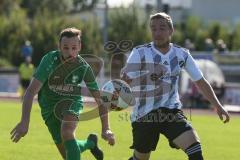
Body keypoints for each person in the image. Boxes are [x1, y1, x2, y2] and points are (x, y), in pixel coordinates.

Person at [121, 12, 230, 160]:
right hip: (144, 115)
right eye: (153, 29)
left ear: (171, 30)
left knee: (195, 151)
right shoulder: (140, 52)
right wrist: (125, 81)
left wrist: (217, 105)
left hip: (171, 112)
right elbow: (127, 79)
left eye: (162, 28)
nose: (157, 32)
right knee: (140, 158)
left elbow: (200, 81)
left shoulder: (182, 54)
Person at [10, 27, 115, 160]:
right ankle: (90, 143)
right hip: (49, 108)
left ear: (79, 47)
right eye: (65, 48)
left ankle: (89, 143)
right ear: (59, 46)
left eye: (73, 48)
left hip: (71, 102)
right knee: (68, 152)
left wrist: (106, 128)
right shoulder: (49, 60)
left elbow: (100, 99)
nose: (70, 52)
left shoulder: (83, 68)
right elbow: (30, 92)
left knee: (67, 131)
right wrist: (24, 121)